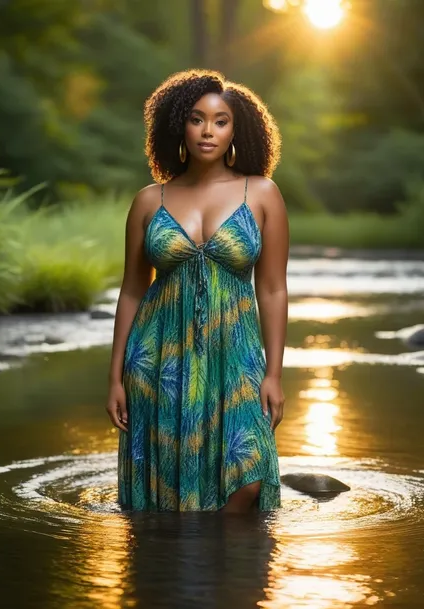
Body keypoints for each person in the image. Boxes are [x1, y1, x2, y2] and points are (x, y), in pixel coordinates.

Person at [106, 69, 289, 514]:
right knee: (169, 487)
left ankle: (234, 574)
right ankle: (175, 574)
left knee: (247, 476)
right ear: (178, 126)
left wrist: (274, 373)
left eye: (221, 120)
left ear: (236, 130)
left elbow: (272, 290)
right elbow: (132, 290)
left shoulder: (261, 193)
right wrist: (114, 377)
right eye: (197, 118)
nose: (209, 130)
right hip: (158, 358)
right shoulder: (151, 201)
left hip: (236, 354)